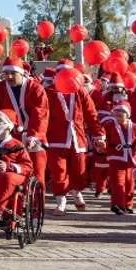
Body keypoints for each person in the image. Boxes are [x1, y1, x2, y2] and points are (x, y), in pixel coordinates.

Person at [43, 65, 103, 214]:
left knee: (79, 170)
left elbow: (91, 114)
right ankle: (61, 202)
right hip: (56, 139)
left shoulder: (80, 91)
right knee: (59, 171)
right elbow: (41, 115)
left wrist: (99, 135)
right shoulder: (48, 92)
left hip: (77, 138)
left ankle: (77, 192)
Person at [0, 57, 49, 182]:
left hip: (33, 136)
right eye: (6, 73)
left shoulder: (35, 89)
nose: (9, 77)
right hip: (9, 137)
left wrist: (34, 136)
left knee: (38, 172)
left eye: (13, 73)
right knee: (10, 171)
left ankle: (38, 200)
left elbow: (40, 114)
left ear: (21, 73)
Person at [103, 103, 136, 214]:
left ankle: (128, 205)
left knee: (130, 182)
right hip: (116, 157)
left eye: (120, 115)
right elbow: (104, 138)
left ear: (127, 115)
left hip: (131, 158)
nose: (117, 118)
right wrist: (103, 146)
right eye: (116, 115)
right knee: (118, 182)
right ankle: (117, 205)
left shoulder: (135, 127)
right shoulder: (110, 126)